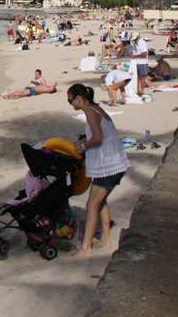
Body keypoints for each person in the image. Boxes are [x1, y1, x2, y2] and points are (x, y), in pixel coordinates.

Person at [67, 83, 130, 258]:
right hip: (114, 164)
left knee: (91, 205)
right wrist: (84, 141)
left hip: (109, 166)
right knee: (100, 202)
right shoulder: (97, 108)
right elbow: (99, 133)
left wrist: (83, 146)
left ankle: (85, 248)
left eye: (70, 100)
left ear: (79, 99)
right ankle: (105, 239)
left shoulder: (89, 111)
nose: (70, 104)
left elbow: (98, 138)